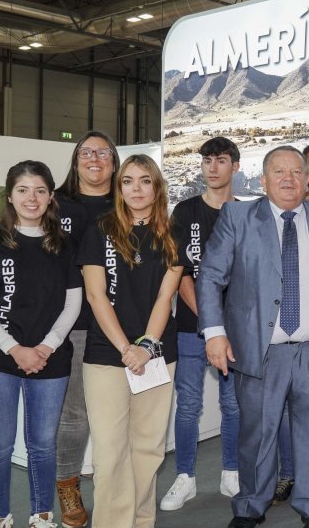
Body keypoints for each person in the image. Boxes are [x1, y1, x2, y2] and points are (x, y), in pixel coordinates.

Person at [198, 146, 309, 528]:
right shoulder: (238, 216)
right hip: (260, 350)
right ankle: (249, 508)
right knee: (257, 435)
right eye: (278, 172)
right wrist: (214, 334)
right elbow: (210, 276)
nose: (288, 179)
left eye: (296, 172)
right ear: (263, 180)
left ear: (306, 178)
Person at [0, 161, 82, 528]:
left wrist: (46, 346)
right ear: (9, 195)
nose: (33, 198)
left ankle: (42, 514)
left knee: (43, 446)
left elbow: (73, 302)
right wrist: (14, 348)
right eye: (24, 190)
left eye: (41, 190)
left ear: (50, 196)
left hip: (50, 360)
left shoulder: (63, 243)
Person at [78, 154, 182, 528]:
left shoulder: (172, 234)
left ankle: (140, 522)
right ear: (119, 188)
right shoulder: (100, 230)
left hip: (156, 354)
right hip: (107, 355)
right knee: (109, 453)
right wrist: (126, 348)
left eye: (144, 181)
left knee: (148, 449)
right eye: (128, 181)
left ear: (157, 187)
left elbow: (164, 298)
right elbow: (96, 296)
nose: (136, 189)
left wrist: (145, 347)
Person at [161, 137, 243, 511]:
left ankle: (231, 472)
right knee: (189, 405)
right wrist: (212, 325)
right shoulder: (185, 211)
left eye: (221, 160)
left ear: (234, 167)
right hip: (191, 327)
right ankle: (185, 478)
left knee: (233, 405)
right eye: (207, 160)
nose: (212, 167)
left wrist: (226, 327)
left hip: (236, 330)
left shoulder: (245, 214)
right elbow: (181, 274)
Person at [54, 130, 120, 528]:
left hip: (122, 324)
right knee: (75, 414)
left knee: (119, 417)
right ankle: (68, 484)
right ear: (76, 160)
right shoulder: (56, 203)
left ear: (114, 160)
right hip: (74, 323)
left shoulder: (129, 200)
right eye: (86, 152)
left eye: (102, 152)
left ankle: (117, 493)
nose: (94, 158)